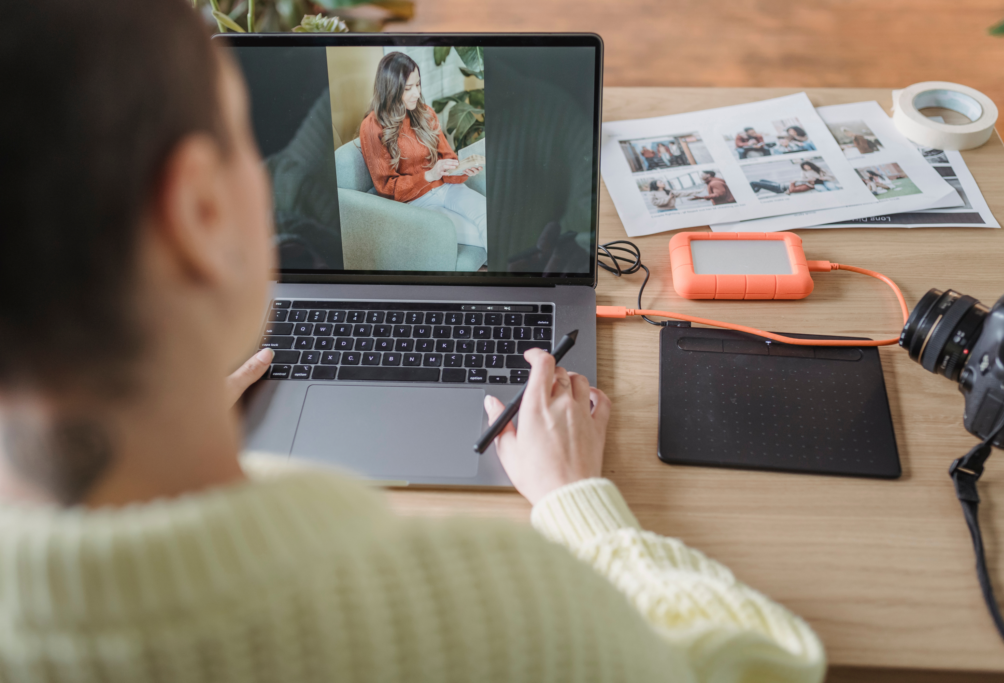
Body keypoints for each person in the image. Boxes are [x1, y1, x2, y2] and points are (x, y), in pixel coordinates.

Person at [0, 2, 827, 681]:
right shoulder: (500, 608)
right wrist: (580, 503)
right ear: (199, 214)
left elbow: (432, 156)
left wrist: (163, 414)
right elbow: (762, 664)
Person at [360, 52, 486, 250]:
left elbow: (447, 158)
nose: (417, 94)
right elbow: (387, 190)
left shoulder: (426, 113)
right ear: (391, 89)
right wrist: (429, 175)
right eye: (408, 88)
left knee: (491, 220)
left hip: (446, 188)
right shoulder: (372, 126)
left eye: (418, 85)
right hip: (415, 203)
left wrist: (462, 169)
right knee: (477, 235)